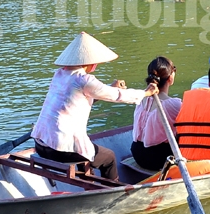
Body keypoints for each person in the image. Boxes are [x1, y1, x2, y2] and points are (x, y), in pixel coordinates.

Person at [32, 32, 158, 181]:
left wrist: (111, 87)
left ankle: (88, 181)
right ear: (90, 63)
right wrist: (146, 93)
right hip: (59, 150)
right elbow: (117, 96)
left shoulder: (59, 74)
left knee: (85, 147)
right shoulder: (84, 80)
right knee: (109, 157)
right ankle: (111, 191)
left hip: (40, 143)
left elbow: (78, 100)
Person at [130, 56, 182, 170]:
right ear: (170, 77)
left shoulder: (141, 97)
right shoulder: (174, 104)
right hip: (158, 158)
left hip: (137, 153)